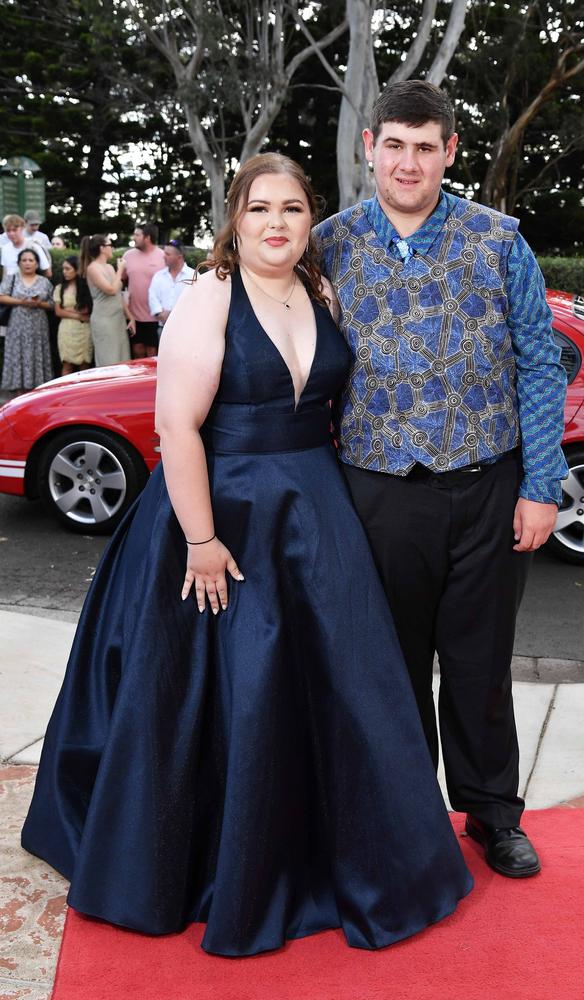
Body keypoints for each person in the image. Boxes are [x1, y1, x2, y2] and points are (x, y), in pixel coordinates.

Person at [21, 152, 472, 958]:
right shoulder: (210, 297)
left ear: (311, 219)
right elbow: (176, 428)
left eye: (292, 210)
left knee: (334, 691)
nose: (275, 224)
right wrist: (199, 540)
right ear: (236, 218)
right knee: (225, 691)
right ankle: (209, 861)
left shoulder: (319, 290)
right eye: (259, 208)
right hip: (216, 512)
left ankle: (327, 853)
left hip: (314, 511)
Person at [315, 81, 569, 880]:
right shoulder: (329, 245)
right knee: (388, 667)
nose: (409, 161)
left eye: (426, 147)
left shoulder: (501, 241)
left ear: (451, 151)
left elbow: (540, 361)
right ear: (370, 147)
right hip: (377, 489)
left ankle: (492, 816)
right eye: (395, 144)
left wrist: (543, 483)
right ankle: (403, 813)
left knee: (480, 666)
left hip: (490, 486)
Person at [0, 247, 53, 393]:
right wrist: (20, 302)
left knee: (37, 354)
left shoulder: (44, 282)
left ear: (37, 264)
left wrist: (39, 304)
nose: (27, 263)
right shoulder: (12, 278)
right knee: (18, 355)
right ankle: (18, 393)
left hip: (38, 326)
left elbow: (53, 303)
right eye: (24, 260)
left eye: (31, 260)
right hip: (17, 325)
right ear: (19, 263)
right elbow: (1, 296)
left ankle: (37, 393)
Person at [80, 235, 132, 367]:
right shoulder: (93, 268)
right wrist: (120, 269)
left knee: (122, 357)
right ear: (102, 248)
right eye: (110, 245)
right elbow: (110, 290)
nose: (112, 248)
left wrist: (130, 316)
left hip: (117, 319)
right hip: (104, 320)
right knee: (108, 359)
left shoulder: (109, 267)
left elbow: (118, 295)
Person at [121, 222, 165, 358]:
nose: (133, 237)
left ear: (147, 237)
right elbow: (121, 281)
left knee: (153, 353)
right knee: (137, 351)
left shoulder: (163, 256)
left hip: (156, 316)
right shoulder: (127, 256)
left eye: (137, 235)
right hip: (134, 316)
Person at [54, 255, 93, 375]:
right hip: (67, 329)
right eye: (63, 269)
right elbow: (58, 311)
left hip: (84, 330)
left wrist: (68, 309)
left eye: (68, 269)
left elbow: (86, 309)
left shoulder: (86, 288)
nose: (64, 272)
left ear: (77, 270)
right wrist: (79, 316)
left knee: (85, 364)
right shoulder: (59, 288)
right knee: (67, 364)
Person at [147, 239, 194, 334]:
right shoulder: (158, 276)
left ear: (179, 257)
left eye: (168, 254)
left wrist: (175, 316)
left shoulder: (193, 276)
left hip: (186, 329)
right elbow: (152, 297)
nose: (164, 257)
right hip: (163, 328)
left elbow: (197, 301)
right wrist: (160, 313)